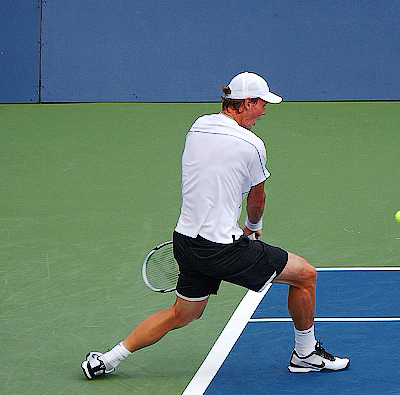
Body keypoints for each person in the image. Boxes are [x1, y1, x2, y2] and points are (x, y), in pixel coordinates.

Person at [82, 72, 349, 379]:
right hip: (221, 247)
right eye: (262, 104)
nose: (264, 112)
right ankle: (305, 354)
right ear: (247, 102)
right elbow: (257, 199)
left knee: (183, 314)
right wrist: (252, 226)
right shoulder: (252, 145)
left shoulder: (197, 127)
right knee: (305, 276)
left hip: (186, 241)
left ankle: (107, 359)